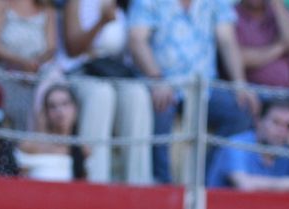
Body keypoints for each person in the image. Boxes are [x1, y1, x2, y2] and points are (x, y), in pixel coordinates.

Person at [127, 0, 257, 185]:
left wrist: (240, 83)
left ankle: (207, 182)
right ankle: (162, 185)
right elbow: (137, 41)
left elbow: (227, 41)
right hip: (162, 83)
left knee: (242, 111)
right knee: (161, 106)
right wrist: (157, 79)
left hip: (205, 87)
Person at [57, 0, 151, 184]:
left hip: (111, 73)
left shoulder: (122, 4)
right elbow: (73, 48)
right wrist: (101, 21)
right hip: (81, 72)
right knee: (101, 95)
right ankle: (95, 180)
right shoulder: (76, 3)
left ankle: (138, 183)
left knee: (138, 94)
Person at [231, 0, 289, 152]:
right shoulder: (232, 14)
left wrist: (278, 6)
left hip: (288, 93)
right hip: (254, 91)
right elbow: (239, 58)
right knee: (243, 110)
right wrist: (279, 47)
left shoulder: (283, 12)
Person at [205, 96, 289, 191]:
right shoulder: (236, 144)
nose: (282, 130)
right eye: (276, 122)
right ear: (258, 121)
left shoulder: (288, 148)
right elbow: (244, 184)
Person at [0, 0, 55, 132]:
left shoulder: (47, 9)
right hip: (3, 68)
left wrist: (34, 65)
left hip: (36, 71)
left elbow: (51, 49)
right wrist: (22, 63)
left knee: (52, 89)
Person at [17, 82, 86, 181]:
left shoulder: (83, 149)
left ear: (75, 108)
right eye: (52, 106)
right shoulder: (31, 145)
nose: (60, 111)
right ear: (45, 112)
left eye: (65, 104)